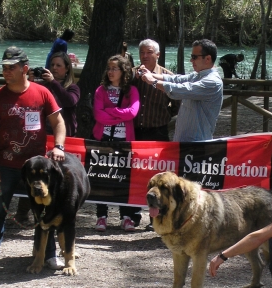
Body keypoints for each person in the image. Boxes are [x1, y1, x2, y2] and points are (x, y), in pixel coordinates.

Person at [0, 47, 67, 270]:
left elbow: (58, 123)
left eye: (11, 68)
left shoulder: (42, 93)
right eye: (4, 68)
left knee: (45, 211)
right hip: (5, 166)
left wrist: (59, 146)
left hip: (38, 167)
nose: (6, 71)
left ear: (25, 69)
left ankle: (48, 255)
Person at [17, 51, 81, 224]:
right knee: (36, 174)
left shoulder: (72, 87)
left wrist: (53, 82)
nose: (54, 68)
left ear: (67, 68)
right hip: (43, 135)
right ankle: (24, 212)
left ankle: (57, 211)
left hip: (63, 138)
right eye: (52, 65)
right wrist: (29, 81)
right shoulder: (42, 87)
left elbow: (69, 101)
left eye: (59, 65)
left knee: (58, 176)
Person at [131, 38, 180, 231]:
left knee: (157, 175)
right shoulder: (133, 75)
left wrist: (165, 115)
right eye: (142, 52)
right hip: (135, 130)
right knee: (135, 171)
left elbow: (177, 103)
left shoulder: (167, 76)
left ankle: (156, 218)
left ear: (157, 55)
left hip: (157, 130)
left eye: (149, 52)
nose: (145, 56)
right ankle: (132, 216)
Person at [139, 39, 223, 142]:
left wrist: (152, 81)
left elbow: (179, 90)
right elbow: (176, 79)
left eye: (194, 57)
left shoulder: (212, 82)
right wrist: (152, 74)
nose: (191, 61)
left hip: (197, 143)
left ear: (208, 59)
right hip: (184, 141)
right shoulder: (197, 75)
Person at [92, 55, 141, 233]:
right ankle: (101, 216)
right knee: (102, 177)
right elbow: (98, 115)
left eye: (115, 68)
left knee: (123, 178)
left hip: (124, 139)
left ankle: (126, 216)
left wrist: (111, 111)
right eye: (109, 68)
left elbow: (132, 112)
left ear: (123, 71)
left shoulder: (131, 91)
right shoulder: (101, 90)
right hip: (104, 138)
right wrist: (119, 114)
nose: (111, 72)